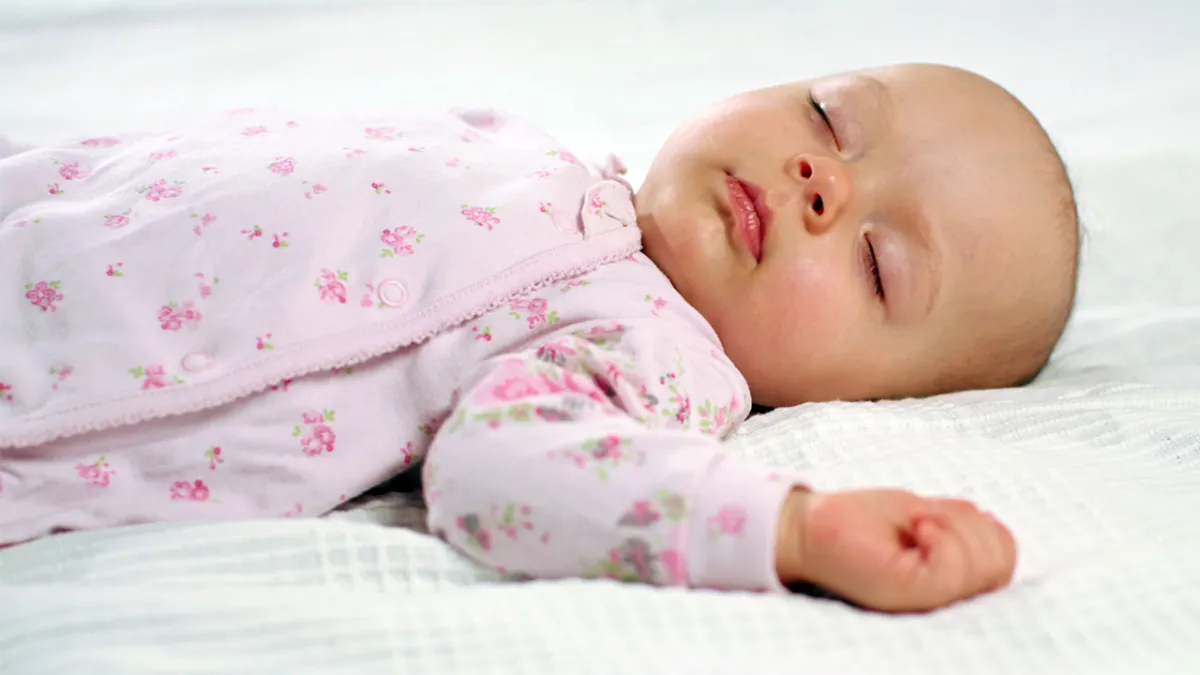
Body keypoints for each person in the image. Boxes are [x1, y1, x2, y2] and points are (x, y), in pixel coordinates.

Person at [0, 63, 1077, 613]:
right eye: (831, 117)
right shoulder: (523, 147)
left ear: (868, 395)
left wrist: (792, 529)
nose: (822, 178)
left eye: (878, 264)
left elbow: (507, 470)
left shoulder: (655, 353)